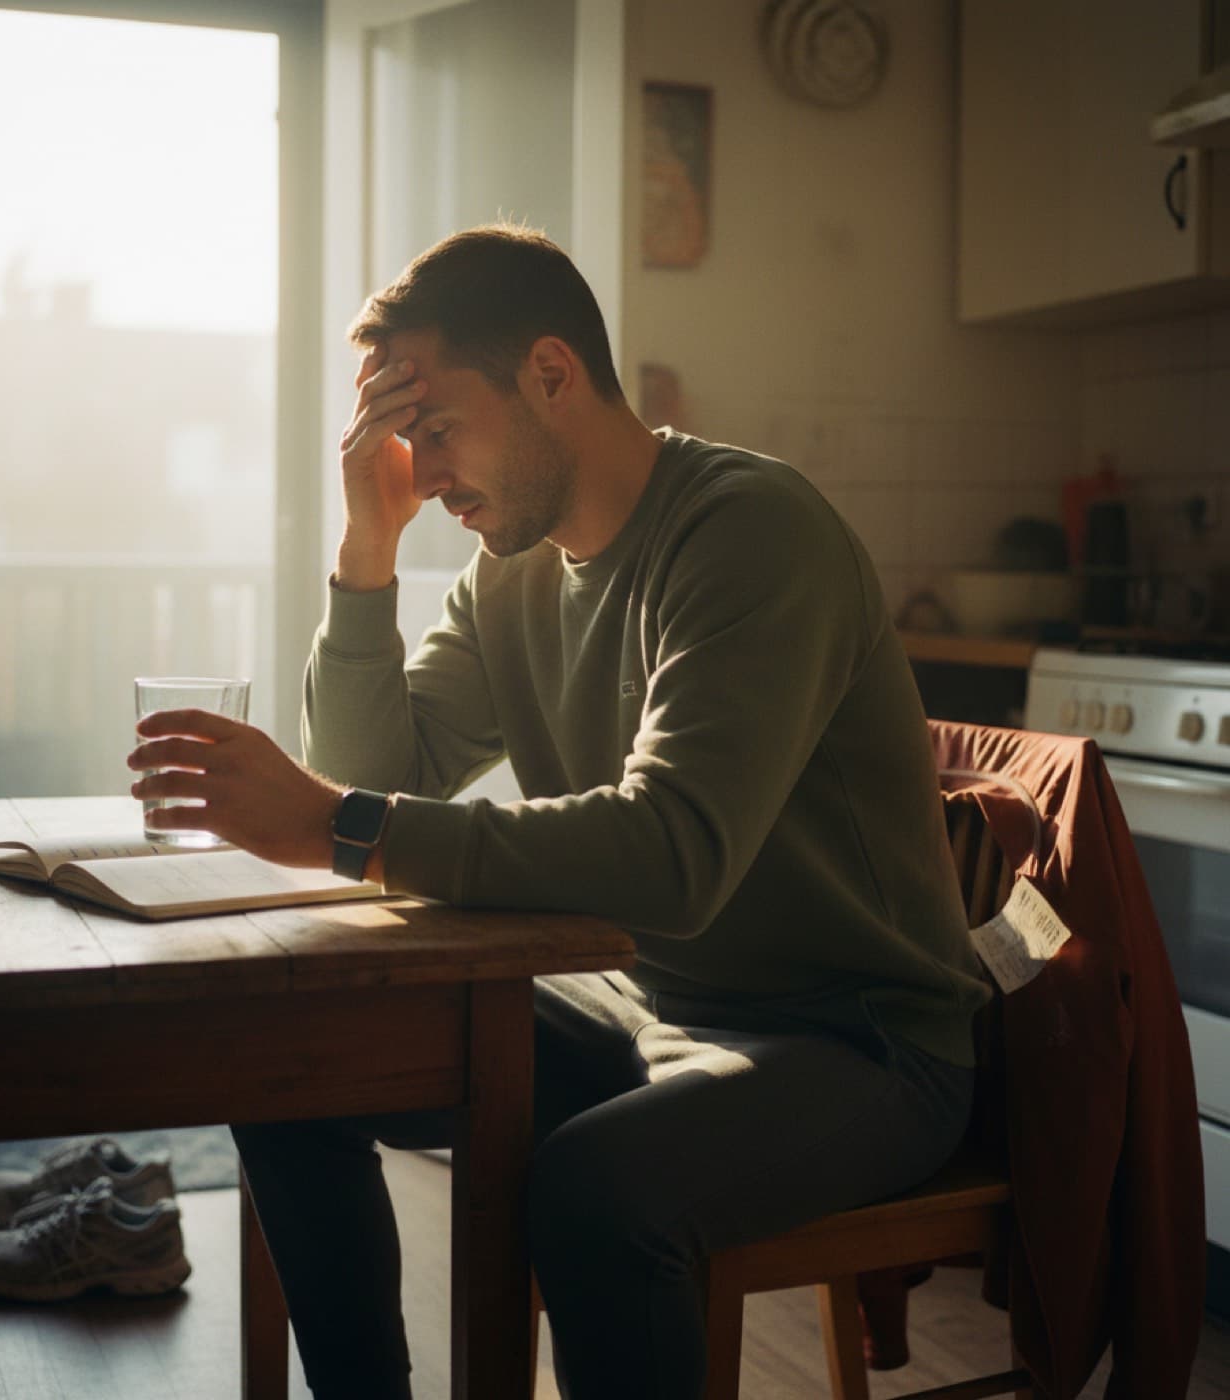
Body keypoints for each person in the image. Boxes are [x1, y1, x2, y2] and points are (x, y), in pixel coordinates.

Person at [127, 224, 991, 1400]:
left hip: (861, 1042)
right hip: (644, 997)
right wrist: (367, 542)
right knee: (292, 1060)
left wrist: (339, 822)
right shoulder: (510, 571)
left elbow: (674, 852)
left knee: (593, 1190)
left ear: (549, 373)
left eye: (435, 430)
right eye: (403, 441)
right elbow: (386, 768)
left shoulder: (747, 530)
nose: (424, 474)